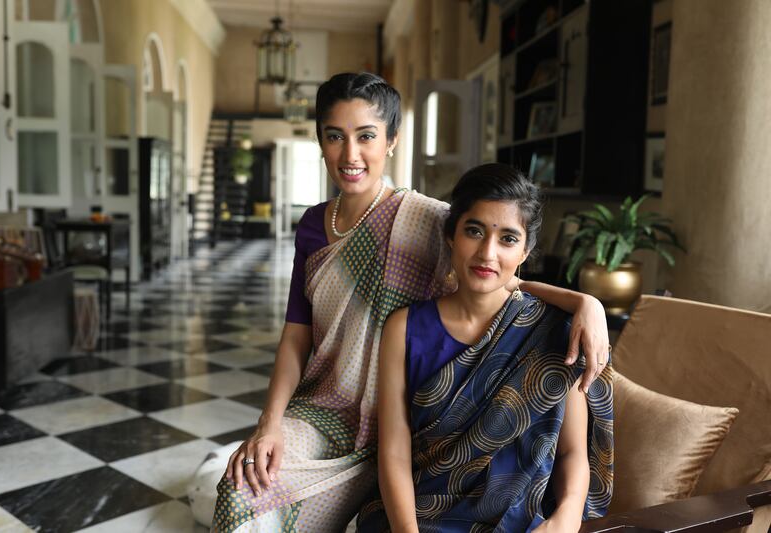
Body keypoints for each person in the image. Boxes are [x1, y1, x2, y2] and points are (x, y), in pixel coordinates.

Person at [189, 73, 611, 532]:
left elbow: (499, 276)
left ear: (391, 140)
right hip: (324, 411)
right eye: (335, 137)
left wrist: (585, 302)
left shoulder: (430, 219)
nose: (351, 155)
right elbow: (296, 333)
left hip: (409, 426)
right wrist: (269, 424)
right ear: (321, 142)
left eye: (366, 136)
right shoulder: (312, 226)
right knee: (237, 495)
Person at [357, 164, 613, 532]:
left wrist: (567, 516)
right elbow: (393, 454)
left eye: (508, 239)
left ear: (526, 251)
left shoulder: (553, 331)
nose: (487, 253)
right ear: (451, 235)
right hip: (414, 517)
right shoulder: (405, 328)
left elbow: (572, 452)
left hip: (515, 521)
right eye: (474, 231)